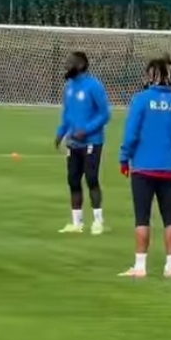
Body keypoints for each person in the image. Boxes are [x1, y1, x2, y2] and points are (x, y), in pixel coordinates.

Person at [118, 59, 171, 278]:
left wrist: (124, 158)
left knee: (142, 217)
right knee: (170, 216)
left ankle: (140, 266)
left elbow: (131, 132)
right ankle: (170, 266)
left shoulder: (141, 100)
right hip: (167, 169)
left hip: (143, 167)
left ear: (151, 76)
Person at [54, 51, 111, 235]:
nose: (66, 65)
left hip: (92, 141)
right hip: (73, 143)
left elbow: (105, 114)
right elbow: (67, 114)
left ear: (79, 65)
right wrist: (60, 133)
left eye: (69, 62)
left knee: (91, 179)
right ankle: (76, 223)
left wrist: (86, 130)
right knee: (73, 180)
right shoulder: (69, 87)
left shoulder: (93, 86)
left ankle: (98, 221)